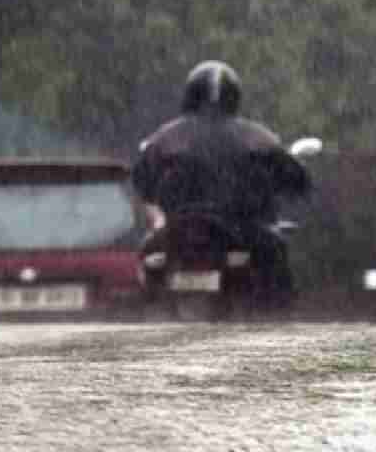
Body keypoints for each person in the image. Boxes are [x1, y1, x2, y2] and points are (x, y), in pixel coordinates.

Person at [132, 60, 310, 308]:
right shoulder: (255, 137)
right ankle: (276, 318)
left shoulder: (167, 138)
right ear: (234, 97)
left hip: (180, 230)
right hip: (243, 229)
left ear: (190, 94)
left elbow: (141, 181)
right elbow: (295, 179)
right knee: (276, 254)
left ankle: (145, 306)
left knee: (146, 255)